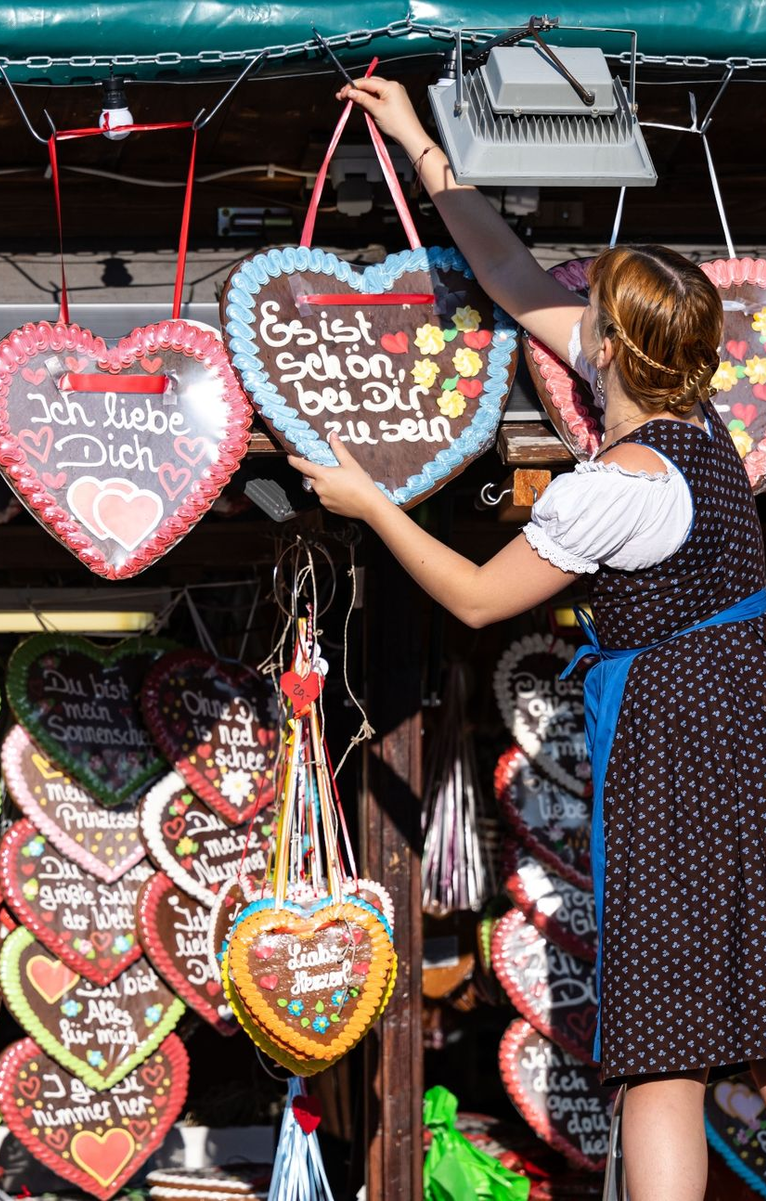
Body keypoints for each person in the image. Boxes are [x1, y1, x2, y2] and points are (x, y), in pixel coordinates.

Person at [290, 75, 766, 1201]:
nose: (572, 313)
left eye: (587, 309)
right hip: (728, 749)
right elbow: (506, 275)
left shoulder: (617, 487)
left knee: (662, 1060)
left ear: (605, 349)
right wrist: (424, 150)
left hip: (681, 769)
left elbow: (469, 595)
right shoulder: (696, 422)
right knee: (695, 1040)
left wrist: (372, 505)